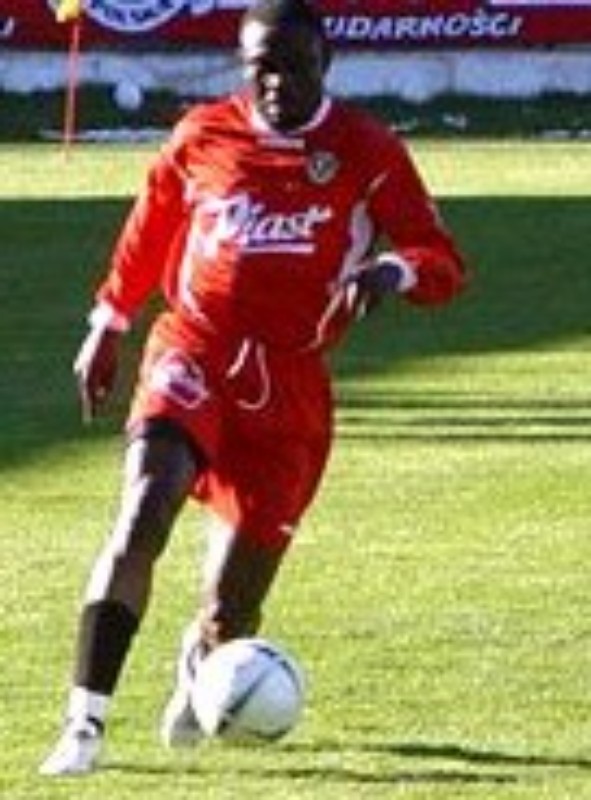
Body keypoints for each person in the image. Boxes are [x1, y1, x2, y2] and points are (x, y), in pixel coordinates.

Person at [40, 0, 466, 777]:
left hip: (290, 388)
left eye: (292, 67)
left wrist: (391, 271)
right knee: (142, 513)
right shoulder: (203, 134)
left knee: (230, 610)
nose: (275, 83)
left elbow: (441, 260)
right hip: (193, 351)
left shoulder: (365, 150)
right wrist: (108, 320)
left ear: (324, 62)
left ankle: (201, 661)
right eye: (260, 68)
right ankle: (83, 723)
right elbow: (149, 227)